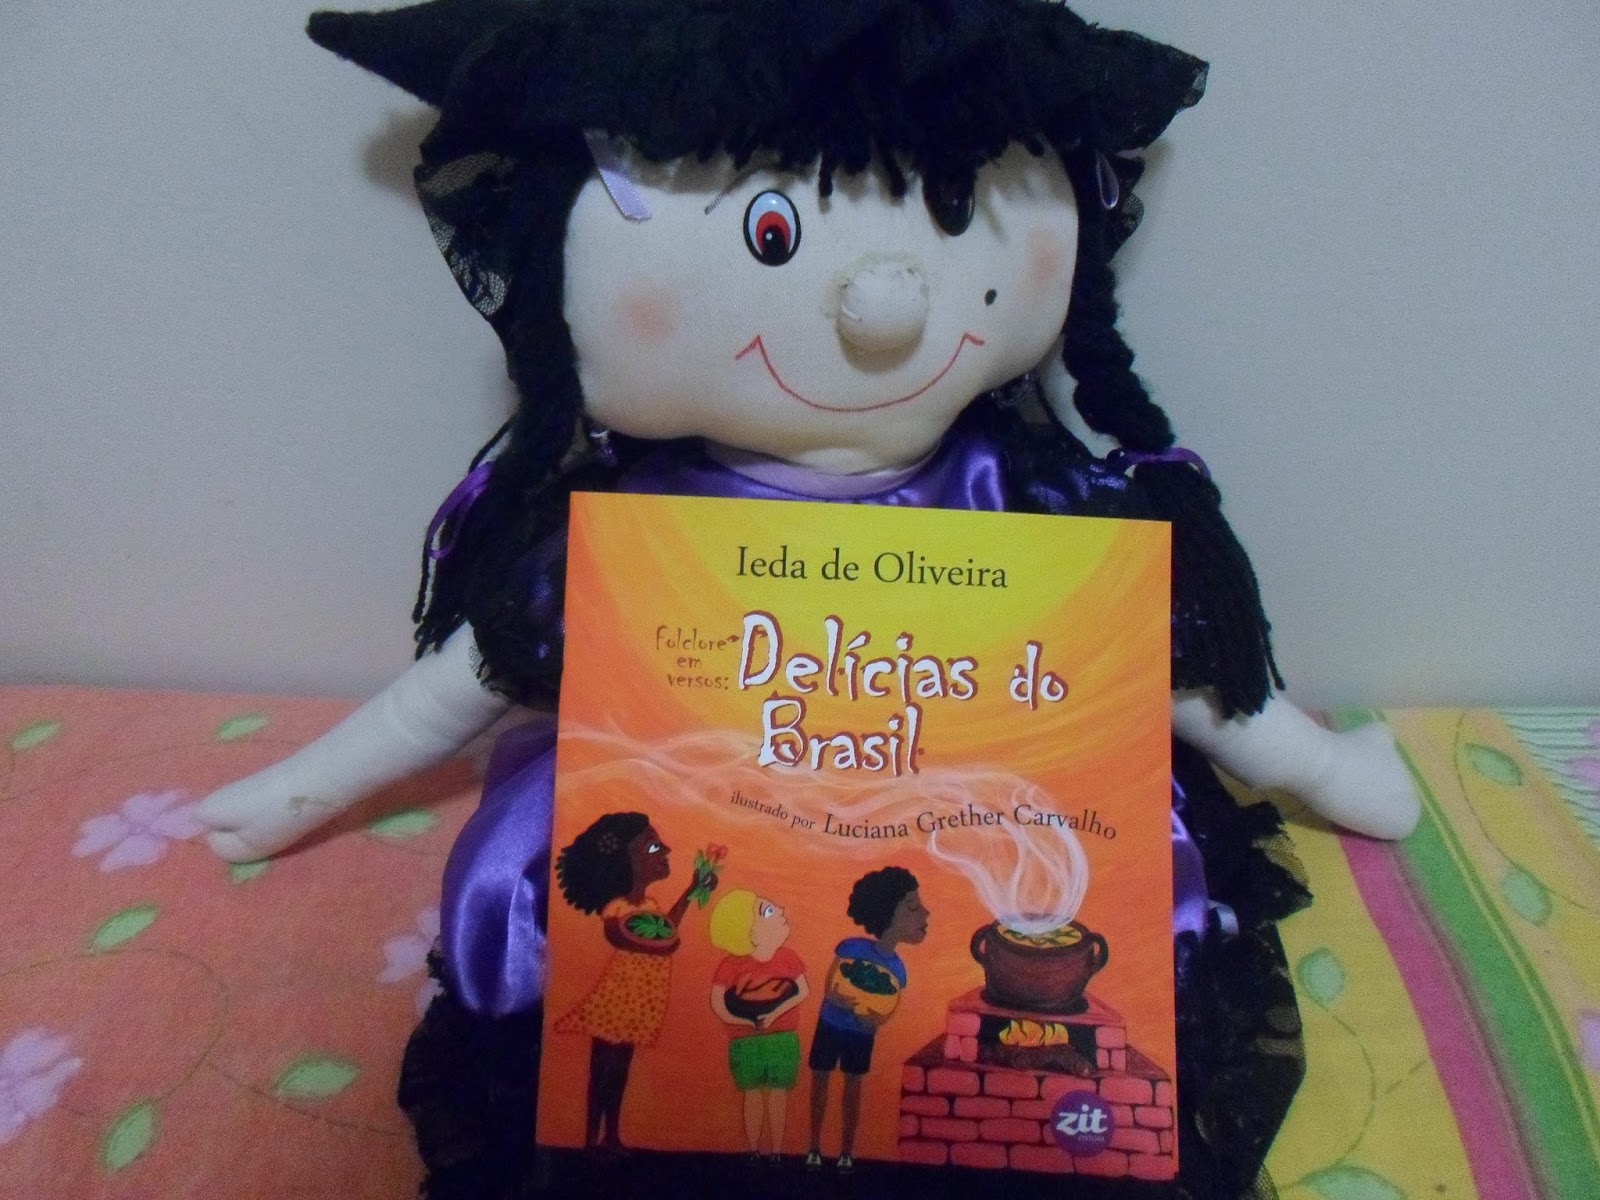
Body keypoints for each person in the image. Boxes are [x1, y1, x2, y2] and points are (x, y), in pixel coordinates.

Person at [196, 2, 1423, 1194]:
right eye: (774, 233)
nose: (884, 304)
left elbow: (1152, 666)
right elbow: (467, 679)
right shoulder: (632, 538)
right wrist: (308, 787)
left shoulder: (1019, 502)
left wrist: (1312, 767)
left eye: (949, 215)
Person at [552, 812, 714, 1154]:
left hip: (641, 1002)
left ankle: (611, 1135)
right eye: (653, 846)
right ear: (627, 861)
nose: (665, 850)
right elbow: (638, 937)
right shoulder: (619, 907)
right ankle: (589, 1140)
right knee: (604, 1070)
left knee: (620, 1070)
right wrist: (662, 940)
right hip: (618, 1002)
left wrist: (691, 891)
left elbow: (665, 929)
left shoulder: (650, 906)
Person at [806, 867, 929, 1173]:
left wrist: (877, 1019)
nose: (925, 913)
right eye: (913, 907)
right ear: (887, 913)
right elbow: (831, 986)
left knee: (853, 1088)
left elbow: (889, 1005)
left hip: (862, 1034)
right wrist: (838, 1000)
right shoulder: (852, 948)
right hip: (830, 1025)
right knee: (820, 1080)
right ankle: (814, 1147)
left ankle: (846, 1153)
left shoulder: (898, 969)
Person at [707, 890, 809, 1158]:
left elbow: (803, 991)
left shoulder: (788, 958)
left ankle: (776, 1151)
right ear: (749, 931)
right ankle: (753, 1149)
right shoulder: (730, 966)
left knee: (778, 1095)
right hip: (745, 1042)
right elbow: (718, 1004)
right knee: (751, 1095)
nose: (781, 911)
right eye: (768, 911)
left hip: (783, 1039)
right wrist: (743, 1021)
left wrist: (775, 1015)